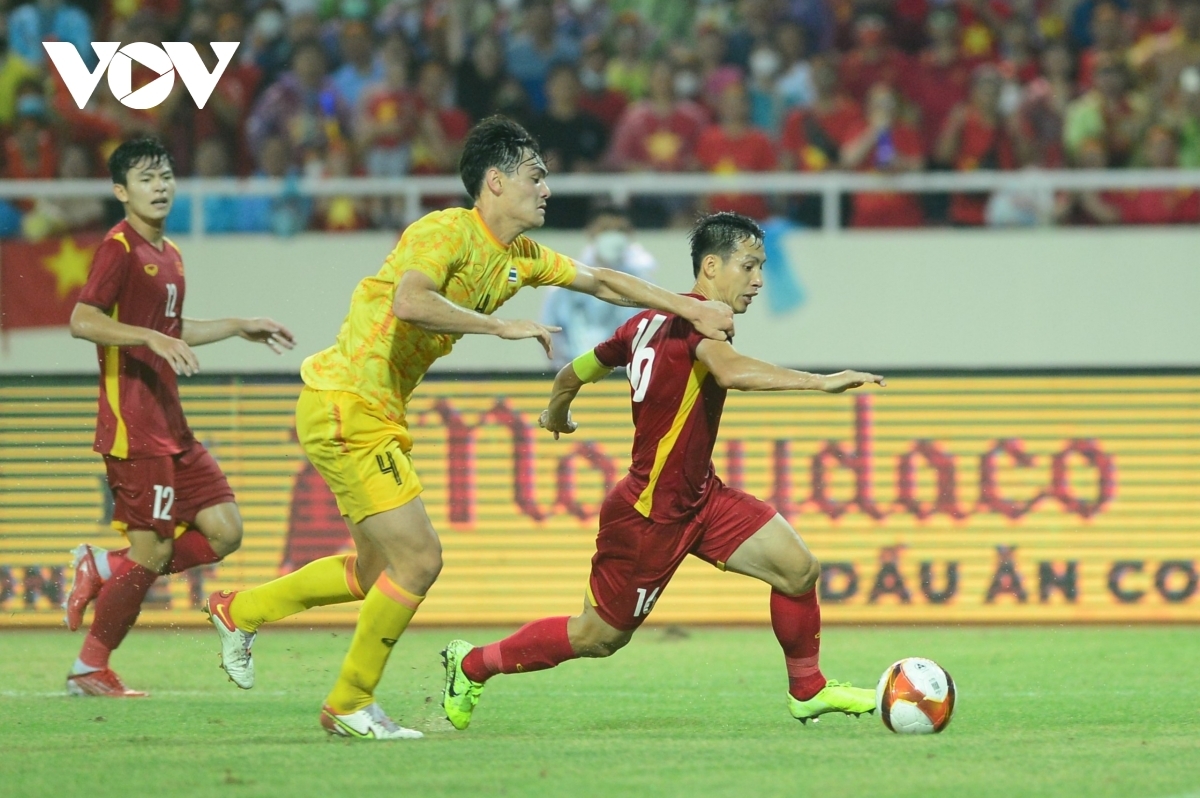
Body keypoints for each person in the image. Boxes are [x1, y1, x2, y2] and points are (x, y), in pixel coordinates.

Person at [204, 116, 735, 740]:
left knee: (376, 572)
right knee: (419, 559)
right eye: (536, 176)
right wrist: (498, 326)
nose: (546, 189)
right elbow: (409, 300)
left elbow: (601, 281)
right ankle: (349, 702)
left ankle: (239, 610)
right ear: (496, 181)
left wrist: (686, 306)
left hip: (370, 409)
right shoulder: (445, 231)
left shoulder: (521, 256)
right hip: (348, 401)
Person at [440, 212, 885, 731]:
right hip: (649, 513)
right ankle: (472, 665)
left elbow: (573, 372)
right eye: (749, 266)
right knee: (597, 637)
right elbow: (731, 372)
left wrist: (556, 413)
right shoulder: (700, 323)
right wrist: (820, 382)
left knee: (798, 569)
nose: (759, 280)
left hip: (701, 497)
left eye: (762, 267)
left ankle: (808, 690)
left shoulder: (641, 324)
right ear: (711, 266)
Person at [60, 137, 295, 697]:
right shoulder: (118, 248)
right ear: (121, 191)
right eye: (146, 178)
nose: (160, 186)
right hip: (133, 426)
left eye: (165, 175)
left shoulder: (170, 253)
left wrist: (236, 325)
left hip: (171, 424)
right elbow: (82, 319)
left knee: (225, 531)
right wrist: (148, 337)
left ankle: (104, 566)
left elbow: (170, 329)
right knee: (154, 553)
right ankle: (90, 666)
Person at [542, 205, 656, 369]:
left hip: (624, 376)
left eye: (620, 230)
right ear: (590, 231)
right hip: (572, 373)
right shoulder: (563, 283)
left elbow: (649, 336)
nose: (613, 235)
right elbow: (552, 335)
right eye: (606, 229)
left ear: (631, 234)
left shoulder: (644, 285)